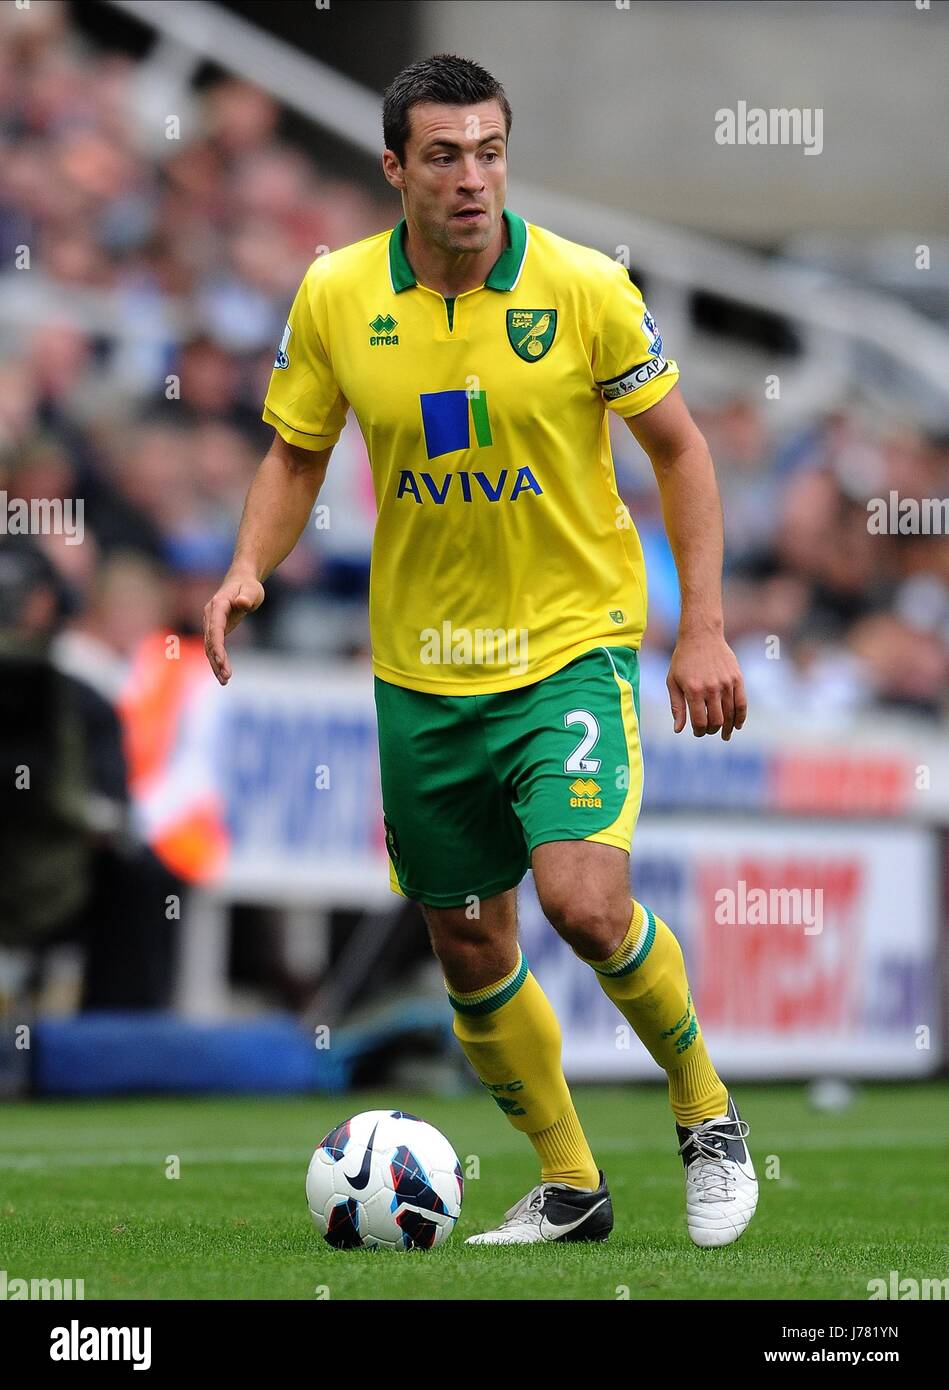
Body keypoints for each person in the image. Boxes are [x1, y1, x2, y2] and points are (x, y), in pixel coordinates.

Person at [204, 54, 757, 1249]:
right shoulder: (337, 294)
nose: (473, 178)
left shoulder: (584, 286)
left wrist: (702, 626)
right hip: (420, 670)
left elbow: (681, 450)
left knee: (584, 902)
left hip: (570, 646)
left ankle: (706, 1114)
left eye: (491, 151)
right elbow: (297, 452)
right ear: (395, 167)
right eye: (445, 156)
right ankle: (569, 1180)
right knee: (465, 935)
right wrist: (252, 562)